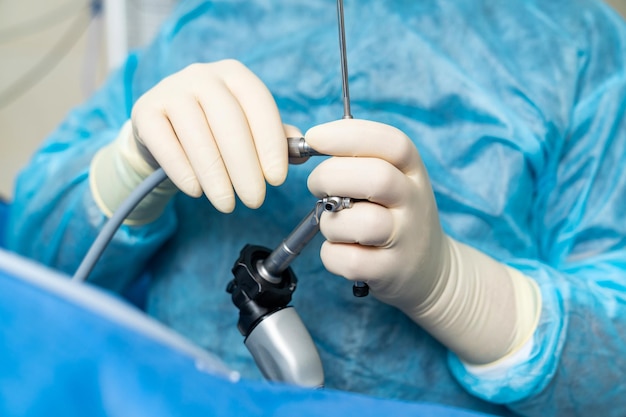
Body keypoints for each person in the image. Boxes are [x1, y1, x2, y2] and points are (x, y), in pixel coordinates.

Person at [7, 0, 626, 415]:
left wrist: (457, 289)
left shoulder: (577, 47)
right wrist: (132, 165)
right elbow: (35, 274)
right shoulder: (209, 24)